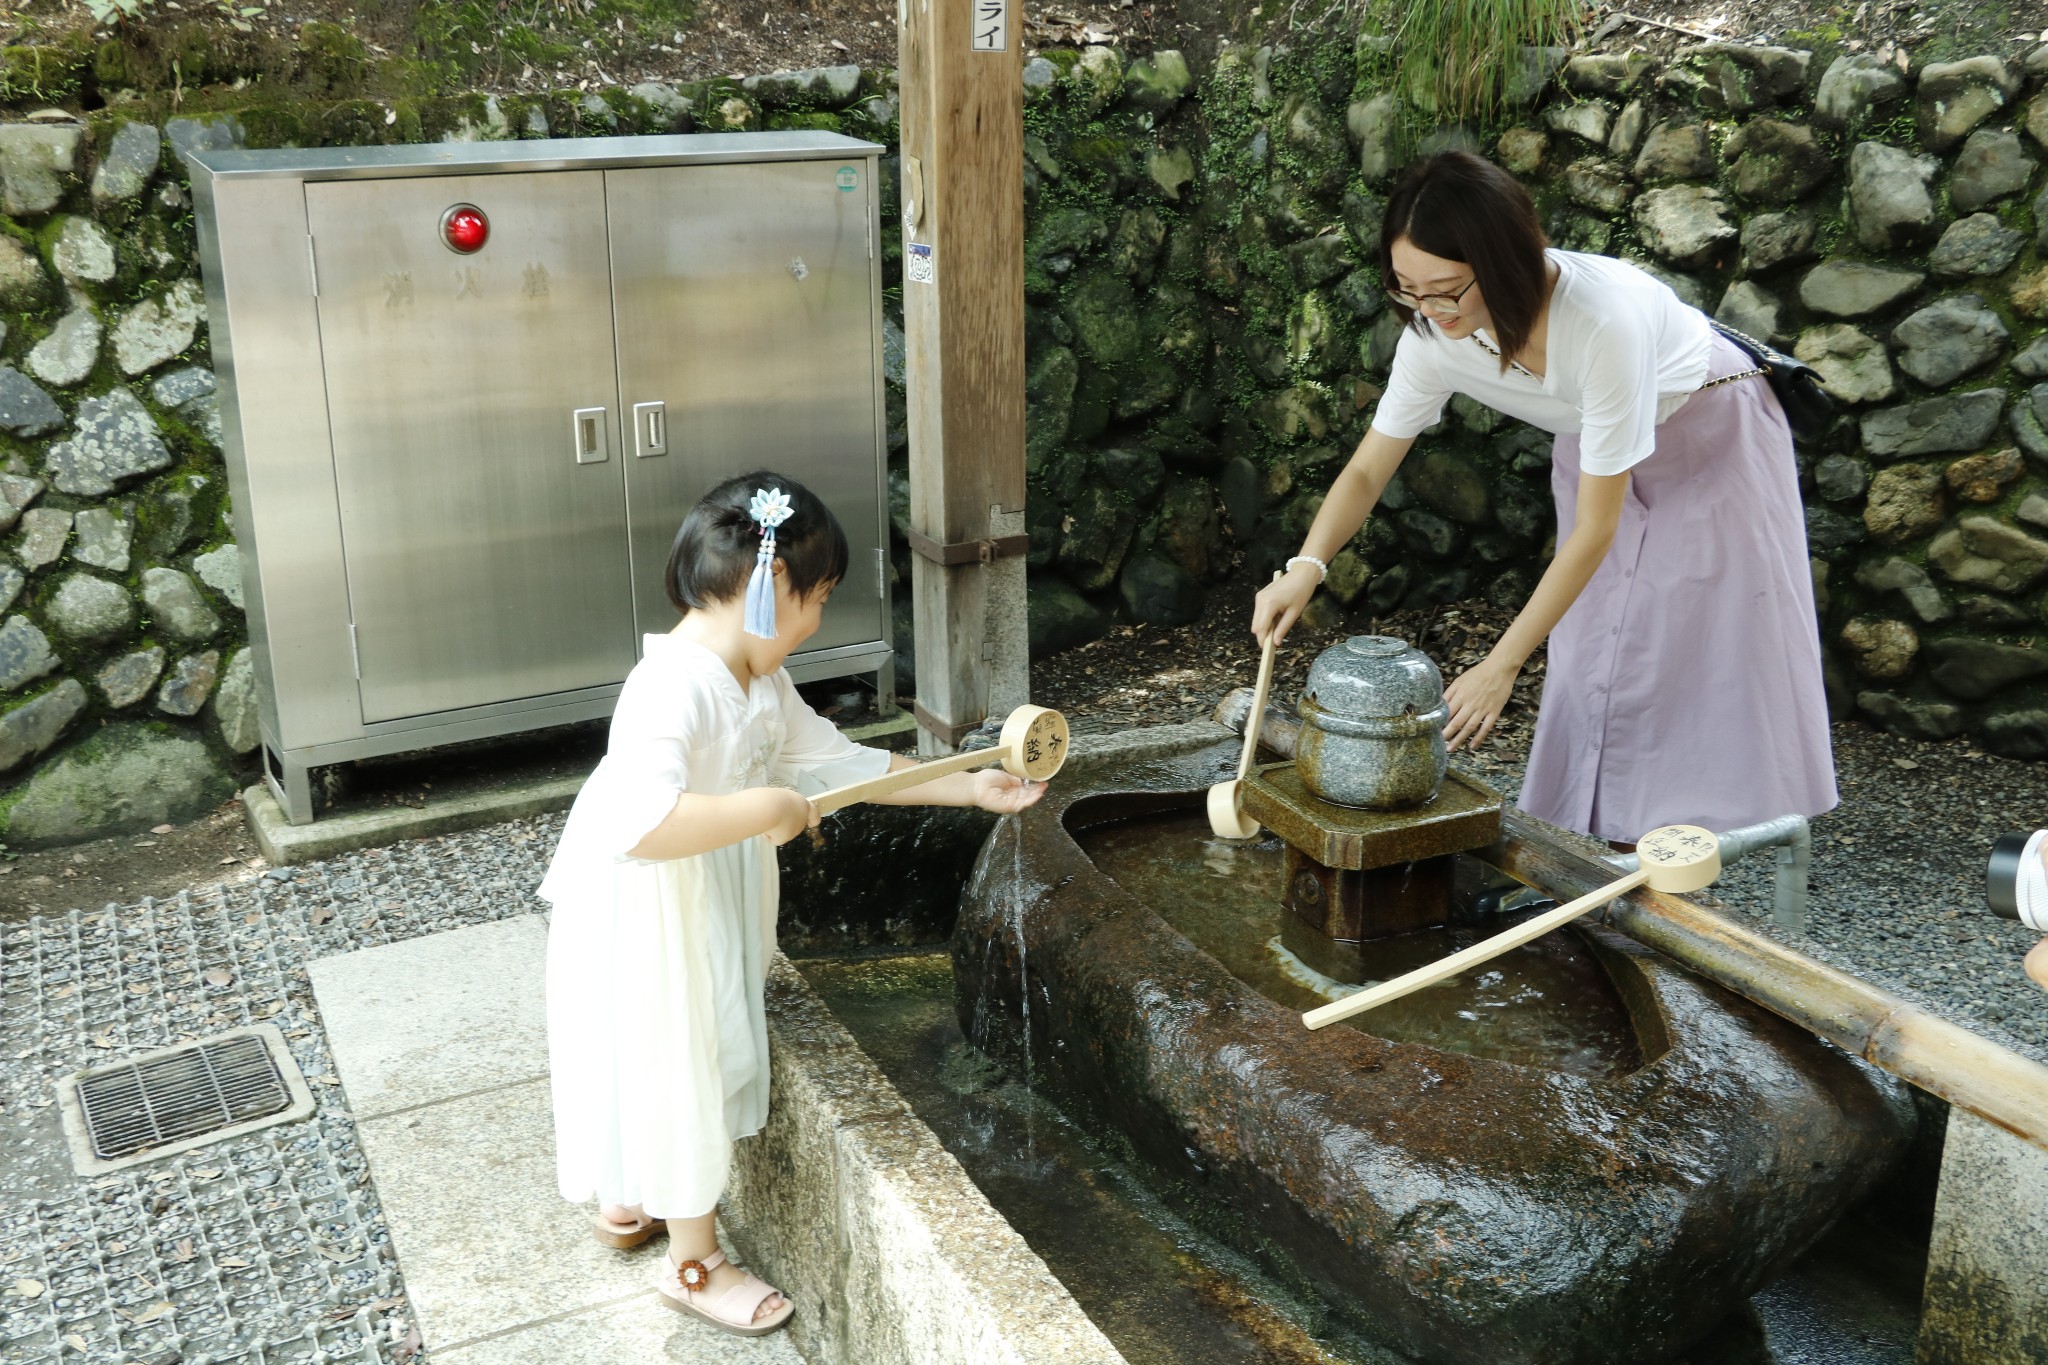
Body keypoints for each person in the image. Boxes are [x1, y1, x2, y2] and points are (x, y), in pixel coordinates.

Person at [540, 472, 1044, 1337]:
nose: (816, 622)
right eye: (816, 601)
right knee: (677, 1057)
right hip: (647, 911)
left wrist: (968, 787)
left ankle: (634, 1189)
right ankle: (693, 1260)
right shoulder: (671, 689)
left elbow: (837, 764)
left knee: (658, 1051)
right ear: (772, 591)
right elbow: (641, 823)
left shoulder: (757, 682)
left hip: (690, 900)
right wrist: (762, 809)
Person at [1252, 151, 1837, 845]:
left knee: (1687, 636)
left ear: (1506, 264)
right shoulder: (1432, 330)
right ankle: (1592, 837)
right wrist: (1307, 566)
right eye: (1405, 287)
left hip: (1710, 433)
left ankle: (1687, 840)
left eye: (1445, 290)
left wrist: (1501, 664)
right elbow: (1367, 471)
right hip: (1598, 442)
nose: (1428, 311)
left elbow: (1596, 531)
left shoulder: (1600, 322)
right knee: (1593, 640)